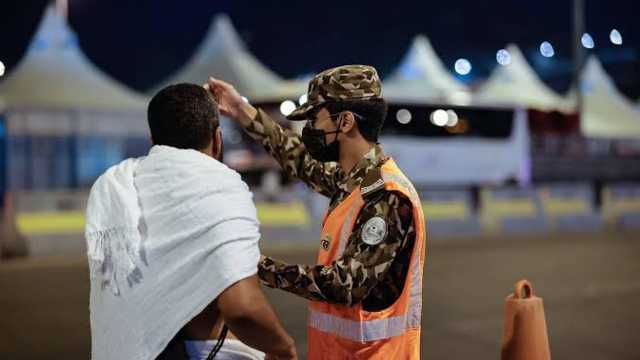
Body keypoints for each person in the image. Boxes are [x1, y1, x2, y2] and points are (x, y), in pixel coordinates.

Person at [207, 65, 426, 359]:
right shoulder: (354, 182)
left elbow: (343, 285)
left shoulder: (386, 196)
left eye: (315, 118)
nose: (310, 128)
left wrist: (254, 266)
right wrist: (240, 109)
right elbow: (296, 157)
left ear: (346, 121)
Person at [85, 84, 296, 360]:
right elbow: (242, 308)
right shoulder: (219, 186)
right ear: (218, 138)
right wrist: (283, 348)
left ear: (152, 141)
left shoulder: (115, 186)